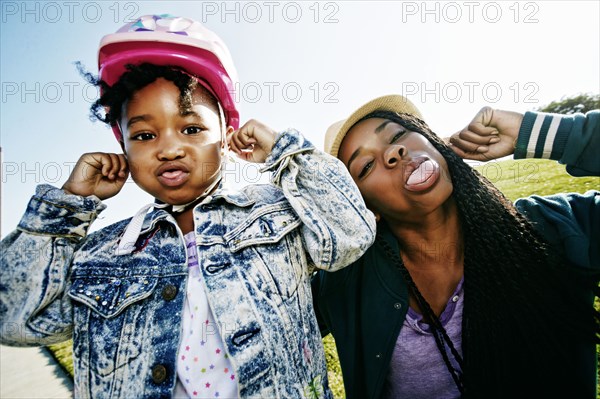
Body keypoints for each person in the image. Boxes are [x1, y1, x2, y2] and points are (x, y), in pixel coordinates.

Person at [0, 15, 376, 398]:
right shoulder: (102, 253)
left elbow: (351, 232)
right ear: (125, 153)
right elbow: (15, 316)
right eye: (145, 135)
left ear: (228, 141)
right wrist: (67, 207)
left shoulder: (274, 213)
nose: (168, 148)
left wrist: (284, 151)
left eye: (191, 129)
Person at [312, 94, 599, 398]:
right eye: (366, 165)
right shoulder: (347, 281)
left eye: (398, 135)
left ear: (434, 143)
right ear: (366, 208)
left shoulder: (550, 228)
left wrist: (537, 132)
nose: (394, 152)